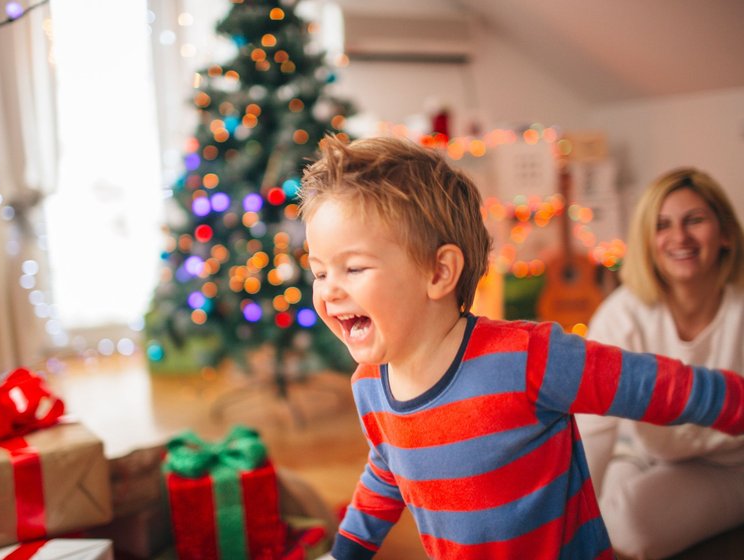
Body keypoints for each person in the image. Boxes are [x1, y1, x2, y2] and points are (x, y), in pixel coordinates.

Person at [298, 135, 744, 560]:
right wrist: (347, 551)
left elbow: (654, 386)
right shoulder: (370, 386)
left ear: (438, 273)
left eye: (352, 268)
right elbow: (386, 467)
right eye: (319, 273)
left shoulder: (527, 358)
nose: (329, 291)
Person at [576, 167, 744, 559]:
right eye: (662, 225)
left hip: (730, 465)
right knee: (590, 521)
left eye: (695, 220)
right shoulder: (621, 316)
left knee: (625, 530)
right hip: (642, 454)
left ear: (725, 234)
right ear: (647, 242)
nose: (679, 237)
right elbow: (591, 430)